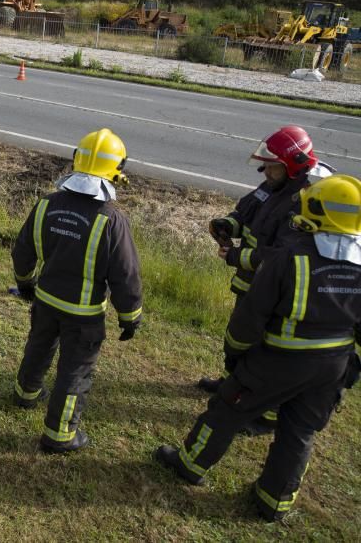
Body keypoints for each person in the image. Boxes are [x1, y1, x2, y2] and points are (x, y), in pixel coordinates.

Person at [156, 174, 361, 522]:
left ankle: (190, 464)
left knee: (226, 411)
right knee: (299, 432)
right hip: (332, 369)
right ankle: (274, 501)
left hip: (277, 362)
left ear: (314, 208)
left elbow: (250, 317)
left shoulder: (290, 258)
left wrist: (235, 356)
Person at [11, 128, 144, 453]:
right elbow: (125, 275)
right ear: (116, 170)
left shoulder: (46, 204)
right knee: (75, 370)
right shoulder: (111, 220)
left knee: (38, 347)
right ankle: (60, 435)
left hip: (45, 302)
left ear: (77, 159)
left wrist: (26, 283)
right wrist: (130, 316)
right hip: (83, 316)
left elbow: (23, 252)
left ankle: (25, 394)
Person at [198, 125, 334, 433]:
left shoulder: (304, 200)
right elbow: (244, 213)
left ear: (293, 165)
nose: (265, 171)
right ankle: (233, 383)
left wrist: (234, 257)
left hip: (276, 291)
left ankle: (266, 415)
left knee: (268, 354)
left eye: (272, 166)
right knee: (241, 339)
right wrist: (225, 225)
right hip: (251, 287)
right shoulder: (270, 187)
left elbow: (278, 258)